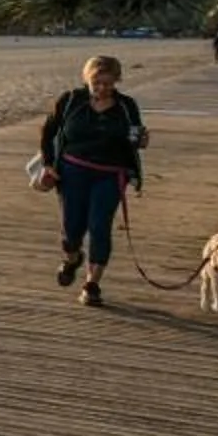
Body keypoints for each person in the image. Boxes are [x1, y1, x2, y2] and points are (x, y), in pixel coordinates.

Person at [35, 55, 146, 307]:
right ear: (87, 78)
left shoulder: (126, 106)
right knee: (71, 229)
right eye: (97, 82)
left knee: (99, 226)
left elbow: (135, 137)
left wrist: (140, 140)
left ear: (117, 80)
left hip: (110, 174)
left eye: (108, 83)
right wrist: (49, 164)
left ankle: (92, 284)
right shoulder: (71, 100)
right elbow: (48, 131)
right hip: (72, 172)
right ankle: (72, 258)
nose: (102, 88)